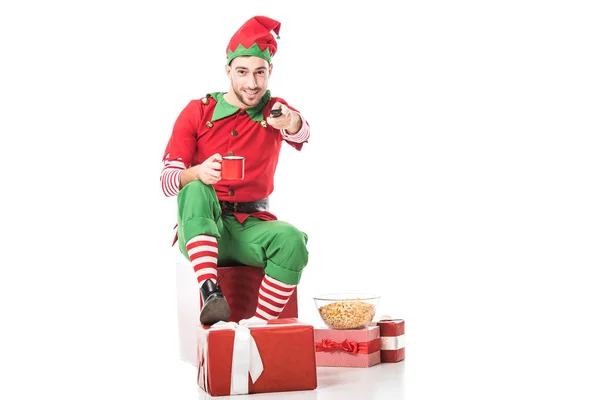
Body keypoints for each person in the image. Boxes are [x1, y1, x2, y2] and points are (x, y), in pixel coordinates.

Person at [160, 16, 310, 325]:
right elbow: (167, 182)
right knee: (195, 187)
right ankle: (211, 292)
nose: (252, 83)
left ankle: (256, 327)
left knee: (293, 239)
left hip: (251, 230)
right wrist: (197, 172)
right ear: (228, 71)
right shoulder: (197, 112)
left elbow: (301, 131)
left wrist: (291, 121)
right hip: (203, 227)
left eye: (260, 72)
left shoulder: (273, 109)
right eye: (242, 72)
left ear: (271, 72)